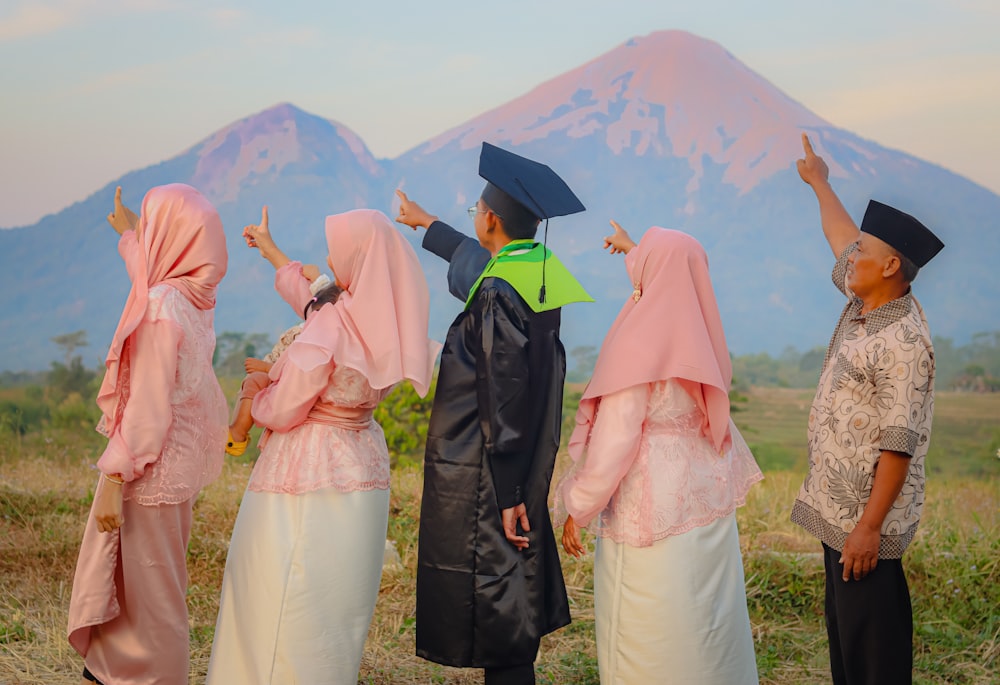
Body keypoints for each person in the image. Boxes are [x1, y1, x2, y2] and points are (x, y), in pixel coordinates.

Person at [206, 206, 437, 684]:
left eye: (337, 251)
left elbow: (287, 405)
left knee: (279, 593)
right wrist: (273, 253)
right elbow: (311, 295)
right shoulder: (387, 321)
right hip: (363, 466)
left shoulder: (332, 325)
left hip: (306, 467)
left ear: (358, 258)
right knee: (336, 601)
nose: (330, 261)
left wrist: (258, 392)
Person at [395, 142, 592, 685]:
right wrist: (428, 224)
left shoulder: (500, 291)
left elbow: (501, 393)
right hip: (518, 466)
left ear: (490, 219)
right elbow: (474, 266)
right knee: (509, 598)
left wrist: (506, 496)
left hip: (489, 475)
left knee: (498, 607)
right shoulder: (532, 275)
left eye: (476, 212)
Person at [555, 222, 763, 684]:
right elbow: (670, 263)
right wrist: (638, 249)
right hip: (702, 503)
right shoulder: (703, 339)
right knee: (705, 622)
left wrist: (579, 507)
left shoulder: (638, 339)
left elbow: (616, 440)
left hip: (650, 509)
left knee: (647, 625)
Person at [793, 133, 943, 684]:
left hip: (865, 526)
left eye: (863, 252)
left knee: (875, 654)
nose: (850, 256)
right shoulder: (865, 300)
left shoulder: (905, 341)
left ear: (890, 266)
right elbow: (840, 237)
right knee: (849, 644)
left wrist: (869, 529)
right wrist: (820, 182)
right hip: (839, 516)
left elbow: (897, 443)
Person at [67, 184, 229, 685]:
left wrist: (115, 477)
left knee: (154, 598)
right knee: (146, 585)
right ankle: (117, 671)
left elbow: (147, 407)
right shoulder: (192, 298)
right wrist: (133, 236)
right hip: (171, 466)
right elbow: (150, 277)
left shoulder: (161, 306)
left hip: (146, 466)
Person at [224, 268, 339, 456]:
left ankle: (238, 432)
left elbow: (299, 369)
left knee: (255, 381)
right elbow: (326, 293)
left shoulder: (318, 338)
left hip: (291, 384)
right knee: (251, 381)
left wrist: (267, 369)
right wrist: (317, 278)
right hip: (284, 378)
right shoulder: (314, 326)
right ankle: (236, 427)